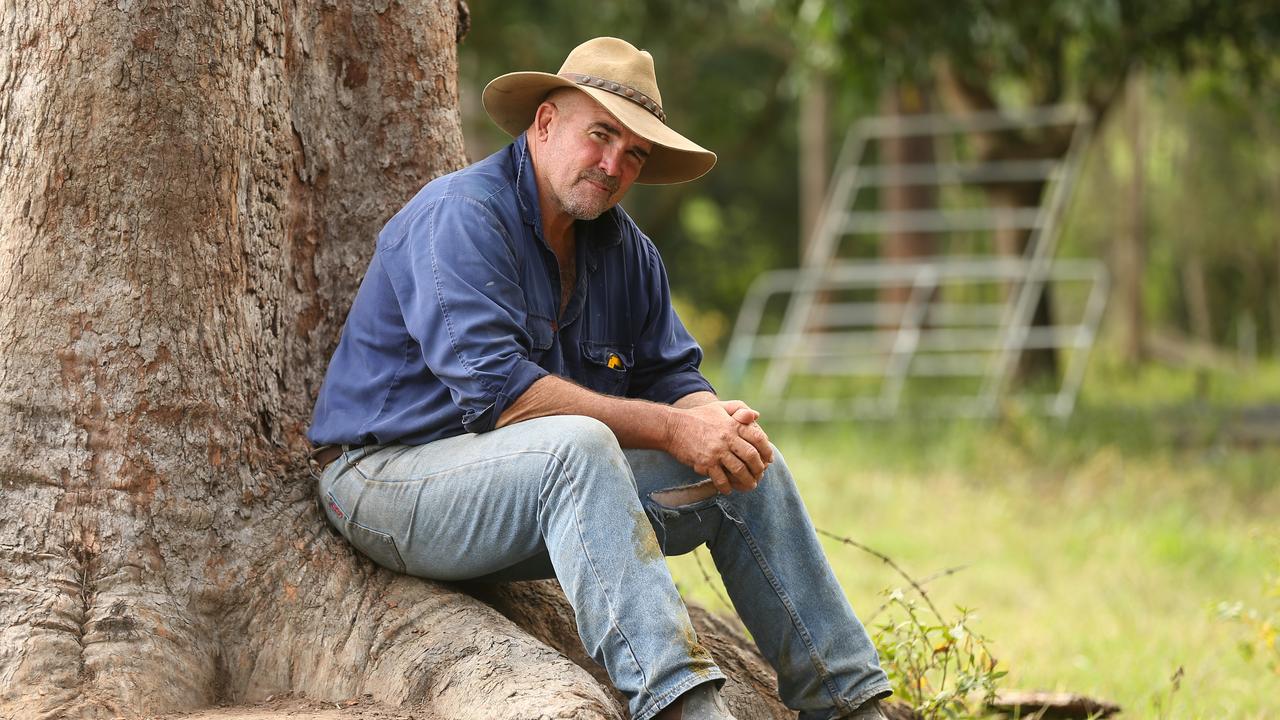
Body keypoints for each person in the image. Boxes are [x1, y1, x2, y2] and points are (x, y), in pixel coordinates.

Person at [308, 36, 891, 720]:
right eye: (601, 136)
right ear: (546, 124)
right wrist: (677, 428)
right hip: (384, 484)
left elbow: (673, 373)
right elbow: (509, 400)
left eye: (634, 154)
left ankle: (850, 705)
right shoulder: (461, 217)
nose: (614, 165)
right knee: (578, 447)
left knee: (748, 466)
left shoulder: (625, 250)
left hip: (527, 500)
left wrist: (709, 424)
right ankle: (685, 709)